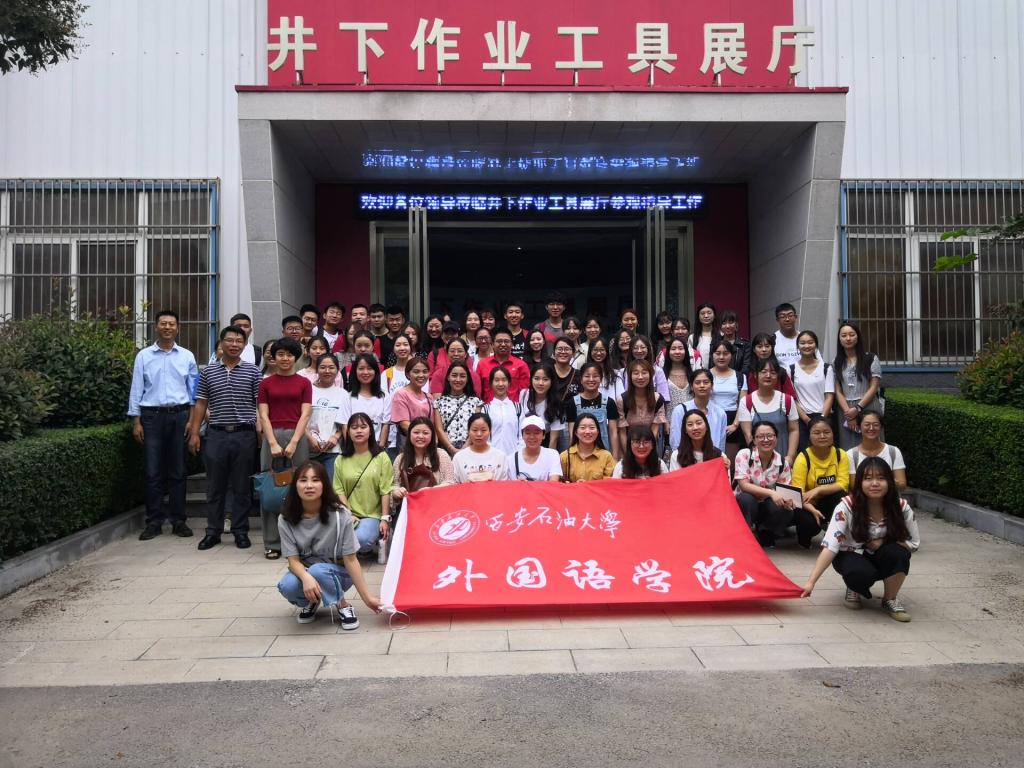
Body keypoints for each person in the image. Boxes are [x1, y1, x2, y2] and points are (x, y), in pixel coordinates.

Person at [801, 458, 920, 621]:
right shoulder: (846, 506)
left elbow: (913, 543)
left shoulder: (901, 507)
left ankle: (890, 599)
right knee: (859, 573)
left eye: (881, 478)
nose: (875, 483)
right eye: (868, 478)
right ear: (859, 482)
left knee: (899, 554)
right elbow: (830, 546)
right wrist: (811, 582)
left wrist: (883, 541)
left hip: (881, 554)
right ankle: (854, 587)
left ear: (890, 482)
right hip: (850, 554)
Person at [276, 461, 381, 628]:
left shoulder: (340, 514)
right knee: (287, 586)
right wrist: (306, 578)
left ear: (324, 484)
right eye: (303, 480)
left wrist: (368, 599)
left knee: (318, 570)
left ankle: (343, 605)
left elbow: (351, 560)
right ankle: (314, 599)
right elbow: (293, 561)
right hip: (308, 571)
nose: (309, 485)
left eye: (315, 480)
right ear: (295, 485)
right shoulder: (286, 518)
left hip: (339, 573)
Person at [188, 324, 260, 550]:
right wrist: (194, 433)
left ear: (244, 345)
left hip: (244, 435)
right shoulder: (208, 372)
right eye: (230, 340)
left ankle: (240, 531)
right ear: (221, 343)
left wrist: (260, 433)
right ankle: (213, 532)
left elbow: (259, 405)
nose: (234, 344)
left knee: (242, 486)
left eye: (239, 341)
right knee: (214, 486)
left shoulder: (253, 371)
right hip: (216, 435)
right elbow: (201, 403)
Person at [128, 310, 199, 541]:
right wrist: (136, 421)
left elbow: (193, 392)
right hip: (152, 417)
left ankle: (179, 521)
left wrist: (192, 421)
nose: (167, 327)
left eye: (171, 324)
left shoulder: (187, 356)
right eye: (163, 323)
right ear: (156, 327)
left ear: (178, 328)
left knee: (178, 471)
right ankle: (154, 521)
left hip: (180, 416)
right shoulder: (144, 356)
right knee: (153, 471)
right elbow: (136, 388)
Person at [257, 337, 313, 559]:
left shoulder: (304, 383)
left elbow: (305, 414)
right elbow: (263, 414)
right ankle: (272, 542)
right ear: (273, 357)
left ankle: (299, 540)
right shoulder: (266, 383)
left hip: (296, 436)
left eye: (289, 354)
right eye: (280, 354)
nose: (285, 358)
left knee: (301, 487)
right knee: (269, 486)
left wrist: (294, 442)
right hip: (271, 435)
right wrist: (271, 442)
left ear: (295, 357)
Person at [333, 412, 393, 556]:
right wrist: (348, 514)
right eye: (354, 427)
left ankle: (364, 543)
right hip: (347, 514)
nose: (358, 431)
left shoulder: (381, 457)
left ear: (370, 431)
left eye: (363, 427)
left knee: (361, 540)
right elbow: (338, 489)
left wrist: (385, 519)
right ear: (348, 432)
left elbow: (385, 490)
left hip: (372, 515)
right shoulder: (340, 459)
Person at [791, 415, 851, 547]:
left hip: (829, 500)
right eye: (817, 433)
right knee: (810, 524)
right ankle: (804, 537)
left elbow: (843, 484)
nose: (822, 436)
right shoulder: (803, 458)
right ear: (809, 436)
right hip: (807, 503)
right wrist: (812, 509)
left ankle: (836, 534)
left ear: (833, 434)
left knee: (842, 497)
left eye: (826, 432)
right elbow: (797, 493)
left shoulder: (840, 454)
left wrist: (818, 489)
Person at [734, 422, 796, 547]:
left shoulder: (782, 462)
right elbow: (744, 485)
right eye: (760, 436)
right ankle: (745, 533)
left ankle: (765, 533)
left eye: (770, 436)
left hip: (767, 504)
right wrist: (771, 492)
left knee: (786, 510)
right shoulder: (745, 454)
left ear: (776, 438)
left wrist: (788, 500)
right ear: (754, 440)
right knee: (746, 499)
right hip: (746, 503)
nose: (766, 440)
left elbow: (784, 490)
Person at [739, 358, 800, 465]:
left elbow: (794, 430)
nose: (768, 375)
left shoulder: (787, 400)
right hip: (758, 462)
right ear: (755, 375)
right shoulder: (746, 402)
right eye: (764, 372)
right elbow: (748, 434)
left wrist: (790, 456)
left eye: (773, 372)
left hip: (783, 458)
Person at [834, 321, 884, 450]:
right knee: (849, 446)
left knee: (872, 443)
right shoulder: (837, 362)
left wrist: (857, 408)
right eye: (844, 335)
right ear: (839, 339)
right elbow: (838, 390)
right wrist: (848, 413)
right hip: (845, 408)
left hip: (868, 406)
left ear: (858, 337)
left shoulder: (870, 358)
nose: (848, 338)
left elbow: (874, 387)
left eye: (852, 334)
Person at [391, 417, 455, 503]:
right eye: (416, 432)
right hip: (410, 506)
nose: (420, 436)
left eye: (425, 433)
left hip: (437, 504)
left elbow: (450, 482)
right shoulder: (400, 459)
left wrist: (431, 490)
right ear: (409, 434)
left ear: (432, 435)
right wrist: (397, 491)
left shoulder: (441, 455)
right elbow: (394, 485)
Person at [563, 362, 619, 460]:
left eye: (595, 376)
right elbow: (572, 433)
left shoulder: (609, 402)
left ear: (601, 379)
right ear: (581, 379)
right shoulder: (572, 403)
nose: (591, 379)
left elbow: (613, 432)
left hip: (603, 454)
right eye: (587, 376)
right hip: (580, 455)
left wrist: (614, 458)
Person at [790, 330, 835, 451]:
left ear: (816, 345)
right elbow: (792, 399)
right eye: (802, 343)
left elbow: (829, 396)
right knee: (805, 453)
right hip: (802, 420)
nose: (806, 346)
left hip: (824, 416)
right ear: (797, 347)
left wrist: (822, 419)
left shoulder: (826, 368)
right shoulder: (791, 370)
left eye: (810, 342)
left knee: (826, 452)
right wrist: (807, 420)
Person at [305, 353, 346, 481]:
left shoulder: (343, 394)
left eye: (331, 367)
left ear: (337, 370)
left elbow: (346, 422)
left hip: (332, 451)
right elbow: (299, 418)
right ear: (317, 369)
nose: (327, 371)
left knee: (330, 487)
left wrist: (336, 437)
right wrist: (309, 438)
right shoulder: (307, 391)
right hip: (308, 449)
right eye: (323, 367)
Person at [616, 359, 667, 456]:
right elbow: (622, 432)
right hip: (627, 449)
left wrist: (646, 452)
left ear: (651, 375)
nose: (640, 377)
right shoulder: (622, 400)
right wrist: (629, 455)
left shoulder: (658, 399)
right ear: (630, 376)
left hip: (650, 448)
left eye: (644, 373)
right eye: (636, 373)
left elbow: (654, 431)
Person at [670, 369, 727, 453]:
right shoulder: (680, 410)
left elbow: (721, 443)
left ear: (712, 386)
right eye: (697, 383)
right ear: (691, 386)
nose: (702, 386)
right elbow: (675, 441)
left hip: (712, 457)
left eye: (706, 382)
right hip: (686, 457)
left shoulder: (720, 413)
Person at [433, 361, 484, 455]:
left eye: (462, 376)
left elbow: (476, 427)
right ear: (448, 377)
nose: (458, 379)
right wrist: (451, 449)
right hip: (446, 452)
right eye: (454, 375)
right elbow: (439, 429)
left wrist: (464, 448)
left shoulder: (476, 402)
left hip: (470, 451)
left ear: (467, 379)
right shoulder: (438, 403)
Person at [848, 411, 907, 490]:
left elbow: (902, 484)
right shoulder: (851, 455)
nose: (871, 428)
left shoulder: (893, 451)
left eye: (875, 425)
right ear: (859, 427)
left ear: (881, 427)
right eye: (867, 425)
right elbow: (853, 486)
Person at [345, 353, 391, 447]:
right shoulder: (348, 397)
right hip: (355, 449)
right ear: (355, 371)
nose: (365, 372)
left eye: (369, 368)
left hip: (377, 448)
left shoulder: (385, 396)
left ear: (375, 371)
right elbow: (345, 425)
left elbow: (385, 424)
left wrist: (380, 448)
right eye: (361, 368)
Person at [708, 339, 746, 455]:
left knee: (730, 460)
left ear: (731, 355)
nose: (721, 357)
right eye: (718, 353)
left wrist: (735, 425)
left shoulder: (740, 377)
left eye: (725, 353)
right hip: (710, 418)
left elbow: (742, 403)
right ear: (712, 355)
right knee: (710, 458)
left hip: (732, 420)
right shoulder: (705, 375)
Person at [477, 327, 531, 402]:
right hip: (488, 407)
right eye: (499, 341)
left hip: (513, 408)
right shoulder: (482, 364)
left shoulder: (521, 365)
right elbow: (478, 391)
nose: (503, 344)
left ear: (512, 344)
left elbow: (524, 394)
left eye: (506, 341)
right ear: (492, 344)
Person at [453, 413, 510, 482]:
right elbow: (454, 484)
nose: (479, 434)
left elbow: (504, 484)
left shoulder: (501, 457)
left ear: (490, 431)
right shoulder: (459, 458)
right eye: (475, 430)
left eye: (483, 430)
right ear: (468, 431)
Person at [669, 408, 730, 473]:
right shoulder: (677, 455)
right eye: (690, 424)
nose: (695, 428)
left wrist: (726, 469)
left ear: (706, 426)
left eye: (699, 423)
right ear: (685, 430)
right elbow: (675, 479)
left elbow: (724, 479)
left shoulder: (720, 456)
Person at [519, 362, 565, 449]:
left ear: (551, 381)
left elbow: (553, 439)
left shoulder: (556, 404)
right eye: (536, 378)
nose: (540, 383)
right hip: (521, 444)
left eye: (545, 379)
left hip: (543, 446)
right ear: (531, 379)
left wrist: (549, 456)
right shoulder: (524, 395)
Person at [560, 413, 615, 482]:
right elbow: (558, 483)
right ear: (576, 432)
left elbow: (609, 484)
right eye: (582, 428)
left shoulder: (606, 456)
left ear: (598, 431)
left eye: (592, 428)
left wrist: (588, 485)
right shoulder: (565, 456)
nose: (587, 431)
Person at [390, 357, 434, 443]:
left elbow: (432, 424)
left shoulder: (429, 397)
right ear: (408, 374)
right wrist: (422, 436)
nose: (421, 375)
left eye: (425, 371)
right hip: (409, 443)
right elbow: (404, 424)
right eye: (416, 372)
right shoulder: (401, 395)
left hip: (427, 442)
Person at [507, 415, 563, 481]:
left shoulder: (552, 455)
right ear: (522, 435)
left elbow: (554, 482)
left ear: (543, 435)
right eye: (527, 433)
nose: (532, 437)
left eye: (536, 433)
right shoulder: (511, 459)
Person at [483, 367, 521, 456]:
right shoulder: (486, 409)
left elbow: (522, 436)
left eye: (504, 380)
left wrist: (517, 455)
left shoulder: (518, 408)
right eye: (496, 380)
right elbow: (485, 437)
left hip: (513, 457)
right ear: (491, 383)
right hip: (492, 457)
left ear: (509, 383)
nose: (500, 384)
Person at [551, 335, 580, 446]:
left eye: (567, 349)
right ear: (554, 352)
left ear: (573, 353)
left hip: (570, 421)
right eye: (559, 349)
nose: (563, 352)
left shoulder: (578, 375)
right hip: (549, 418)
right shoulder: (546, 372)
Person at [773, 303, 822, 369]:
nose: (787, 319)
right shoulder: (772, 340)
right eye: (782, 317)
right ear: (777, 320)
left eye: (790, 315)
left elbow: (819, 363)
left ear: (795, 317)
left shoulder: (806, 339)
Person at [662, 337, 694, 430]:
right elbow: (660, 401)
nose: (677, 352)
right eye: (673, 349)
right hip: (670, 422)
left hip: (692, 421)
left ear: (686, 351)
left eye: (680, 348)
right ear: (668, 352)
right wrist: (665, 421)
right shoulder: (662, 374)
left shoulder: (692, 373)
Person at [627, 335, 670, 401]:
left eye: (642, 347)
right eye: (635, 348)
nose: (639, 351)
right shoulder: (623, 372)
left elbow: (664, 397)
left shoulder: (657, 371)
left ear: (648, 349)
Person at [719, 310, 750, 374]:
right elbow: (712, 366)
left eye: (730, 322)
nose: (727, 326)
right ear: (721, 327)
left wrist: (736, 378)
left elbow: (746, 367)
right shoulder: (715, 344)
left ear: (736, 325)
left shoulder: (745, 345)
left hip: (739, 378)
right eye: (724, 323)